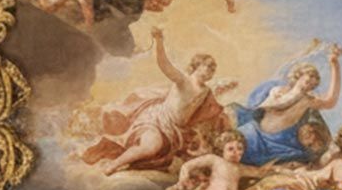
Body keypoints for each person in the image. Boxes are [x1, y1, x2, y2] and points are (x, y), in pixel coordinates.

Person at [81, 29, 230, 174]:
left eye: (213, 68)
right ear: (196, 65)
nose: (211, 70)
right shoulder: (183, 80)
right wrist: (159, 41)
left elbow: (210, 109)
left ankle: (126, 161)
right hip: (157, 120)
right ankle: (113, 165)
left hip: (175, 132)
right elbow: (164, 65)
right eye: (208, 66)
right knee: (151, 147)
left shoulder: (206, 91)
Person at [233, 45, 342, 165]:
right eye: (308, 79)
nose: (309, 84)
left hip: (279, 143)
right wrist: (297, 95)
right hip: (255, 134)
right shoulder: (279, 91)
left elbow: (331, 101)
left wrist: (334, 65)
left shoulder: (307, 100)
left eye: (312, 83)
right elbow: (274, 106)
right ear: (298, 76)